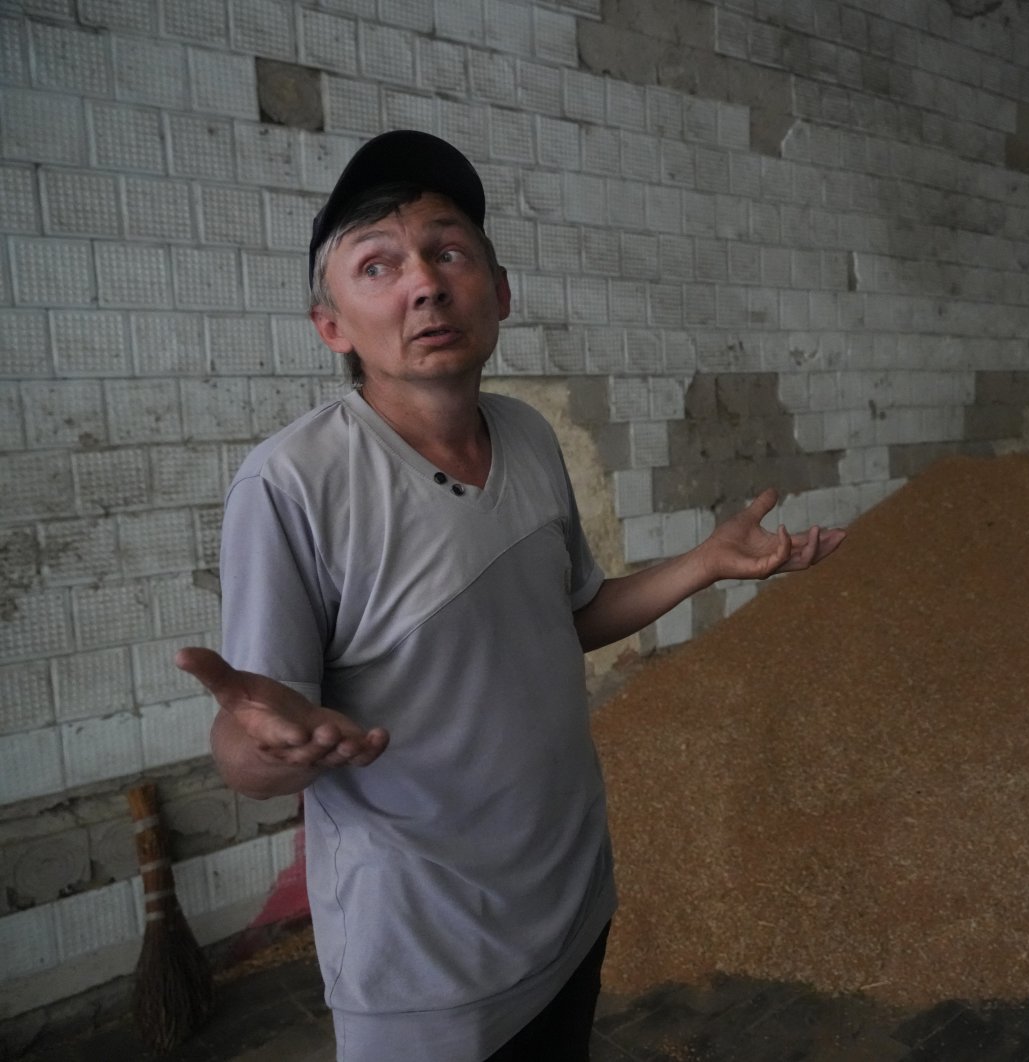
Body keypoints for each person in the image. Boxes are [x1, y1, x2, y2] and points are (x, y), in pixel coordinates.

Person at [175, 130, 844, 1062]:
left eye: (448, 252)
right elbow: (251, 756)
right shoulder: (293, 486)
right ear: (332, 325)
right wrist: (262, 749)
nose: (424, 283)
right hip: (425, 961)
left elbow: (564, 621)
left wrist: (705, 563)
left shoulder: (527, 436)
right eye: (378, 266)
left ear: (499, 291)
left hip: (570, 900)